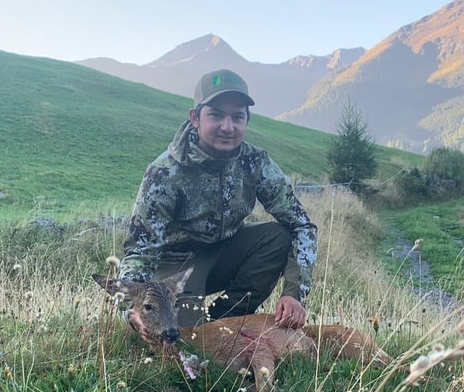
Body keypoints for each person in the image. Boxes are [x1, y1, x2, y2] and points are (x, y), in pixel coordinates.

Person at [119, 69, 317, 329]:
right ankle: (195, 324)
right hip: (174, 267)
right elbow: (140, 251)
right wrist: (130, 310)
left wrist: (294, 293)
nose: (228, 127)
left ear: (247, 120)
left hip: (223, 252)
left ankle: (226, 319)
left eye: (237, 117)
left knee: (277, 237)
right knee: (188, 343)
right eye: (216, 115)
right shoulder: (165, 173)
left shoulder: (255, 162)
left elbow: (302, 225)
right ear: (195, 118)